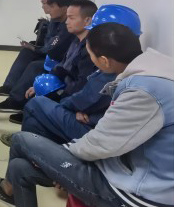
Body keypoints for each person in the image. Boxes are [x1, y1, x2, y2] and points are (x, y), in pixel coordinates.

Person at [0, 23, 173, 207]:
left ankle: (7, 189)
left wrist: (60, 158)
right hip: (123, 171)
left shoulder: (143, 92)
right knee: (19, 167)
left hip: (134, 199)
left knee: (21, 140)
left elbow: (100, 144)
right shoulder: (154, 68)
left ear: (104, 61)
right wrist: (57, 163)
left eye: (91, 56)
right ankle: (12, 195)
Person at [9, 20, 142, 146]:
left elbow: (84, 99)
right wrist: (80, 109)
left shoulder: (109, 77)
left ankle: (25, 146)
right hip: (92, 120)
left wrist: (70, 107)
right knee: (34, 123)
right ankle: (28, 147)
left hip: (93, 132)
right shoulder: (131, 68)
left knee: (36, 103)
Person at [0, 0, 97, 116]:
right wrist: (42, 83)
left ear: (87, 20)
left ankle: (26, 105)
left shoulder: (89, 49)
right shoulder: (76, 40)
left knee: (36, 68)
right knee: (35, 67)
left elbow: (81, 84)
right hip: (64, 81)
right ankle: (16, 96)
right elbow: (62, 64)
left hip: (69, 93)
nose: (67, 22)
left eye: (71, 18)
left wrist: (60, 95)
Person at [0, 0, 72, 97]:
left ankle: (15, 98)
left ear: (64, 8)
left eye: (47, 4)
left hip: (58, 58)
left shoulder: (68, 25)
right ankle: (9, 86)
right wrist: (34, 47)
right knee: (26, 52)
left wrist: (34, 48)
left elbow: (52, 47)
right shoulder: (54, 19)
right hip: (51, 53)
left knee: (34, 65)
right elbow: (48, 41)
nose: (44, 7)